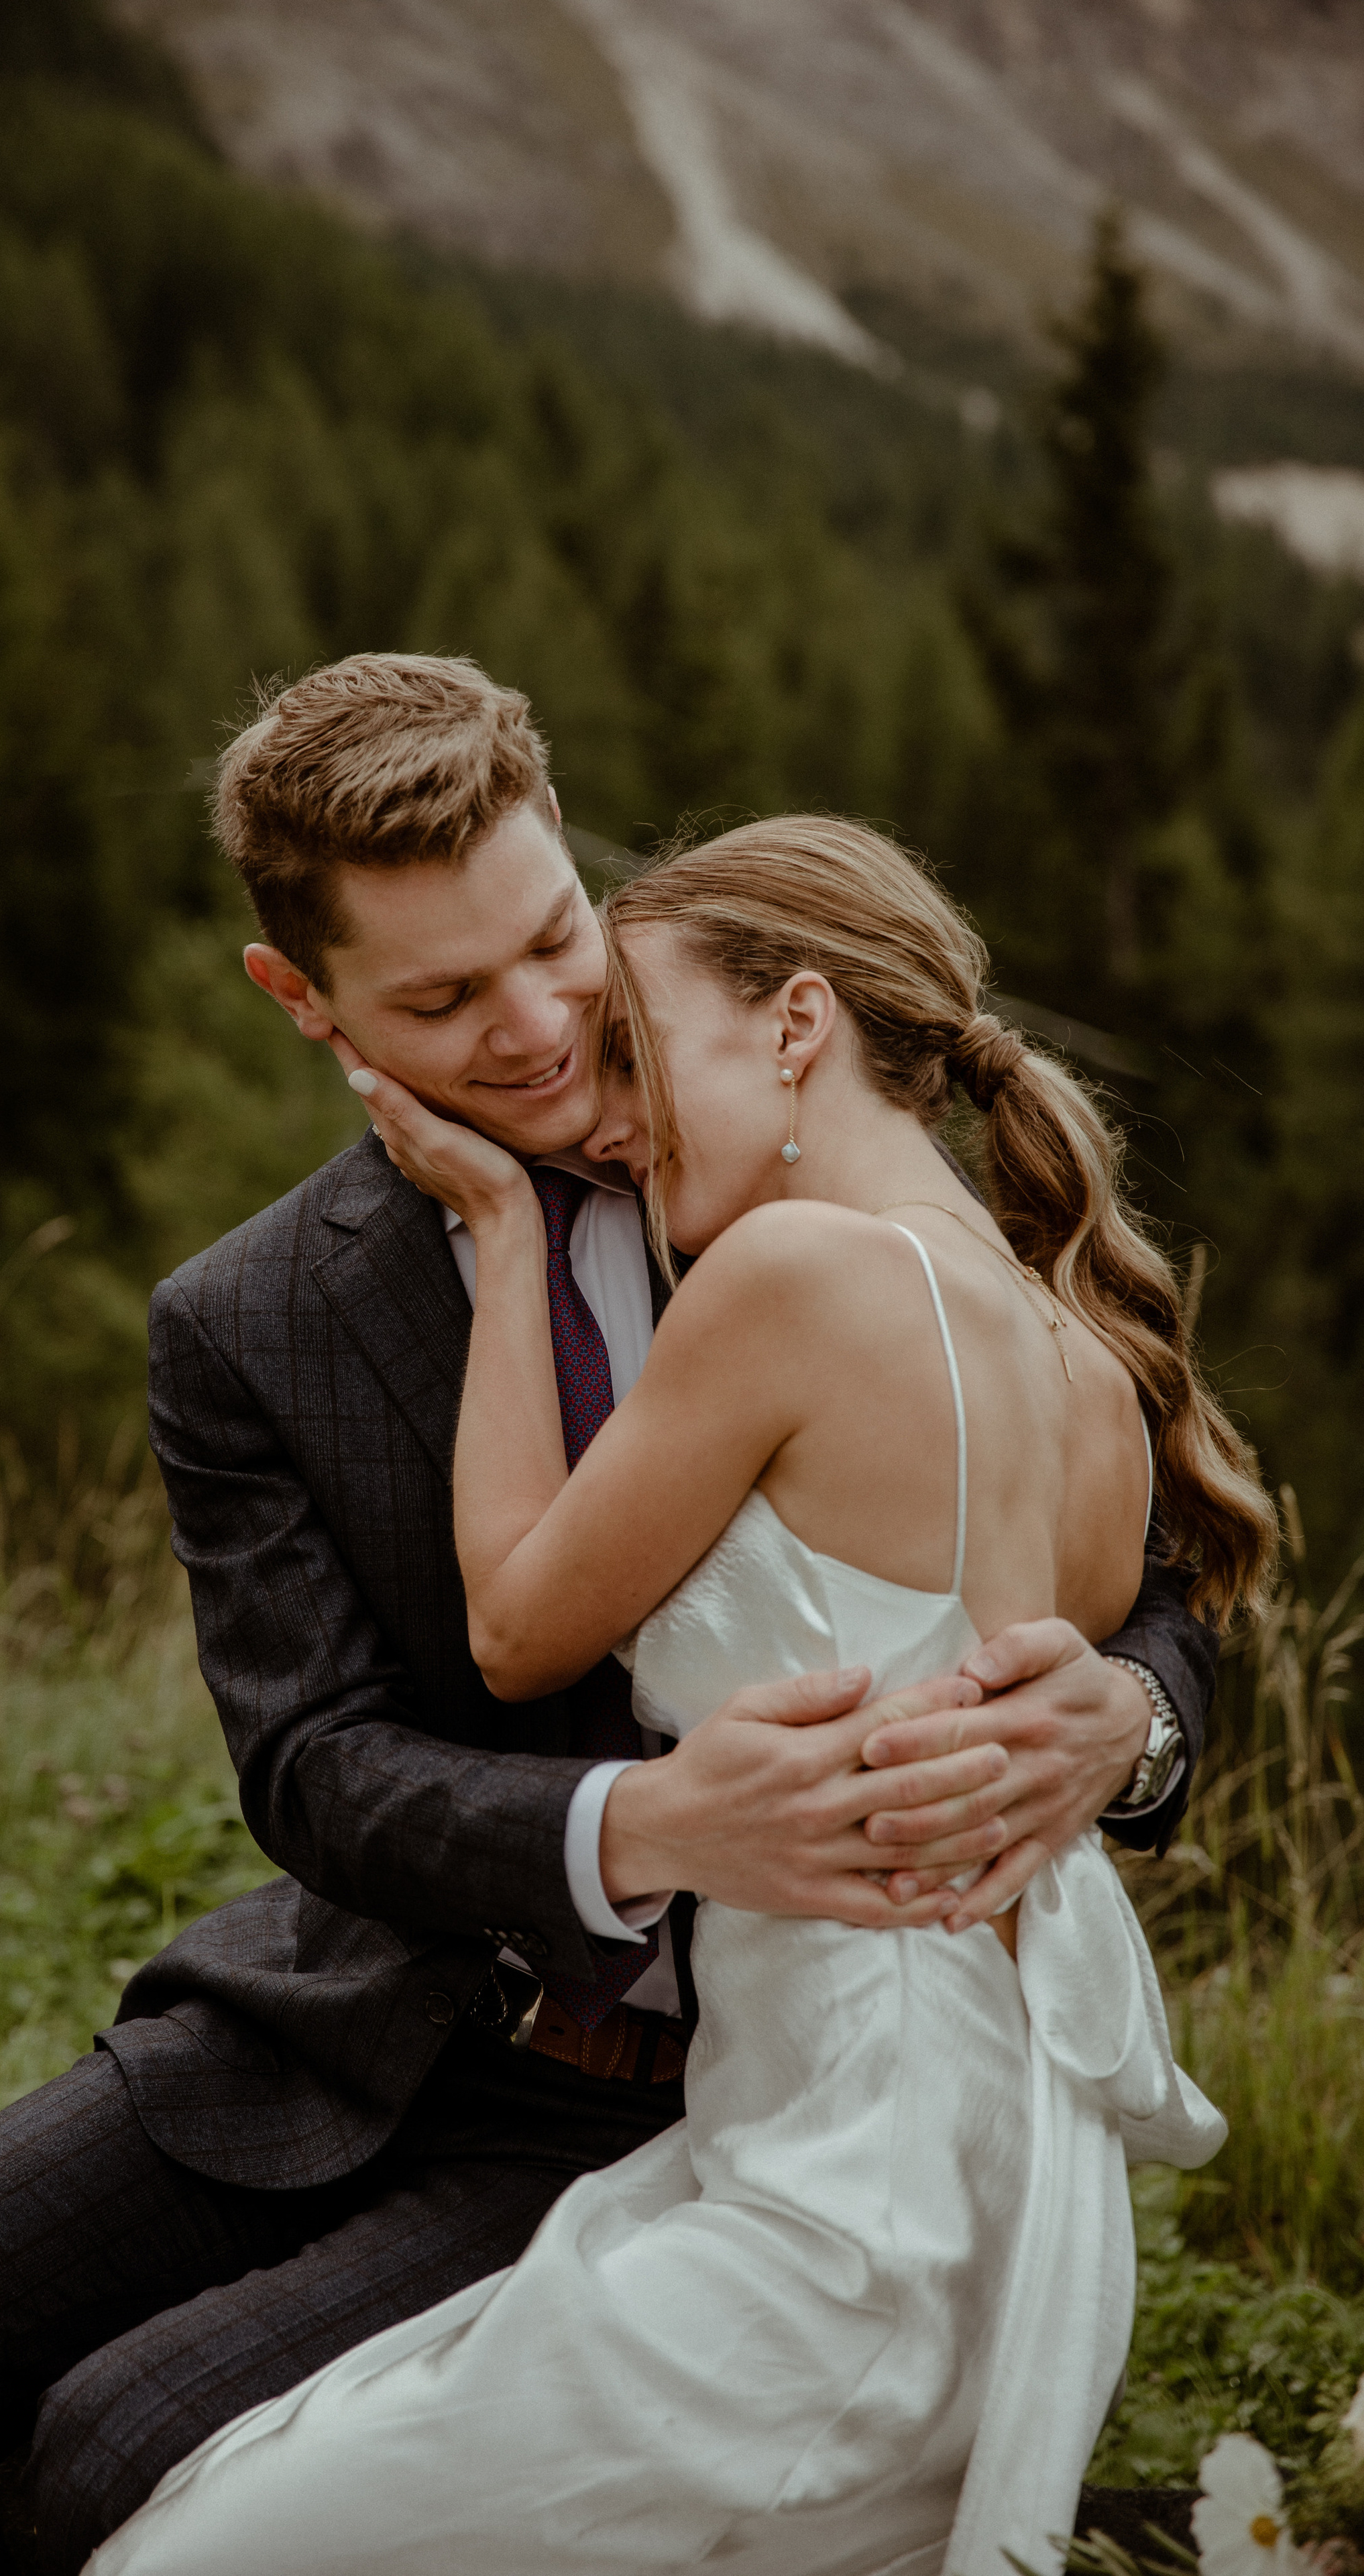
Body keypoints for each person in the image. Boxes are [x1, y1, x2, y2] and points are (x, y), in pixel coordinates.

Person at [0, 661, 1218, 2576]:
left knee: (99, 2462)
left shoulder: (791, 1164)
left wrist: (1121, 1729)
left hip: (695, 2110)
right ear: (304, 1005)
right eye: (446, 1001)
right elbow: (313, 1764)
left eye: (555, 940)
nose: (551, 1030)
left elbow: (1142, 1572)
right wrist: (636, 1829)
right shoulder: (252, 1325)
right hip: (357, 2020)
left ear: (581, 866)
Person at [88, 814, 1272, 2576]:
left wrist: (499, 1235)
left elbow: (516, 1630)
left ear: (797, 1025)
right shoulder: (1089, 1365)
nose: (609, 1116)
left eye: (637, 1051)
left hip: (850, 2179)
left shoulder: (792, 1278)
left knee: (197, 2552)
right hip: (989, 2161)